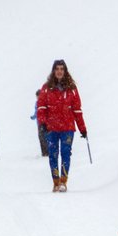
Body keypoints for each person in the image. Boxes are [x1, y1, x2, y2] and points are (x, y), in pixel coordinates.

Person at [36, 59, 87, 192]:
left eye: (61, 69)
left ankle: (63, 181)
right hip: (51, 127)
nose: (59, 71)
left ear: (65, 71)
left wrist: (82, 128)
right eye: (57, 69)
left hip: (67, 127)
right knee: (53, 154)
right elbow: (41, 107)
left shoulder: (72, 89)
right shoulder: (46, 88)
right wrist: (42, 123)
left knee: (65, 153)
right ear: (53, 71)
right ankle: (56, 182)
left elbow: (77, 110)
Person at [30, 89, 48, 156]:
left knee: (44, 137)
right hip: (40, 123)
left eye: (38, 96)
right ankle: (45, 152)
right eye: (37, 96)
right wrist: (34, 117)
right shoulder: (38, 103)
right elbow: (36, 112)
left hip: (44, 123)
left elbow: (39, 112)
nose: (37, 98)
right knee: (42, 137)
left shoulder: (43, 102)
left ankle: (46, 152)